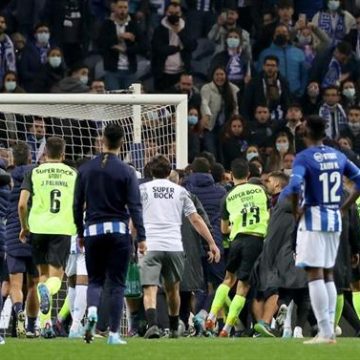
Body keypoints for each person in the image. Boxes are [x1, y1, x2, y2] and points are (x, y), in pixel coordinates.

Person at [282, 115, 360, 344]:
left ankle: (325, 332)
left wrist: (297, 210)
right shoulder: (338, 155)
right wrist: (344, 207)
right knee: (327, 274)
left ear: (305, 133)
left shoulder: (304, 158)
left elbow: (295, 185)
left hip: (314, 219)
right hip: (334, 219)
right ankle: (327, 331)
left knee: (314, 274)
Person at [73, 123, 146, 345]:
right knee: (116, 284)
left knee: (95, 281)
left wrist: (80, 231)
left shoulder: (85, 169)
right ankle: (114, 334)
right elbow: (135, 206)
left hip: (93, 231)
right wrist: (141, 237)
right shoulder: (127, 171)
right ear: (122, 142)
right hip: (118, 231)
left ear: (102, 140)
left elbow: (76, 205)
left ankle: (93, 311)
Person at [139, 155, 220, 339]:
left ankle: (153, 325)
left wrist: (136, 240)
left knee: (150, 288)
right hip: (174, 246)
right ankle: (175, 326)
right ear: (169, 172)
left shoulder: (142, 190)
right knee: (173, 289)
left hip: (151, 245)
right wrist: (212, 243)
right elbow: (196, 219)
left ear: (151, 172)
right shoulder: (180, 192)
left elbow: (134, 219)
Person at [18, 137, 78, 338]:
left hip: (38, 229)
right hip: (61, 228)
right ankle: (46, 293)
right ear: (63, 154)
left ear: (44, 154)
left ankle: (45, 326)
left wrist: (24, 227)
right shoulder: (72, 173)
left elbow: (22, 204)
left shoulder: (34, 172)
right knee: (55, 278)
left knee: (42, 276)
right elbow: (81, 204)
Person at [205, 158, 270, 337]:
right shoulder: (261, 190)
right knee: (243, 286)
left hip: (236, 240)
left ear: (231, 175)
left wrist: (236, 225)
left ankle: (211, 315)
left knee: (228, 279)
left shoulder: (227, 197)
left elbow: (224, 229)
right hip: (255, 239)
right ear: (249, 174)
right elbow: (268, 215)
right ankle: (227, 327)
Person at [6, 142, 39, 338]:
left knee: (16, 284)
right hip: (35, 232)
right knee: (34, 283)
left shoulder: (8, 178)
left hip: (12, 232)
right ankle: (31, 327)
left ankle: (18, 316)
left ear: (13, 159)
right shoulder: (37, 174)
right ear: (29, 157)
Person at [99, 0, 147, 91]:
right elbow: (101, 43)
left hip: (130, 70)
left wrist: (126, 50)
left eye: (125, 7)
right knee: (114, 100)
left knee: (130, 101)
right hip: (112, 69)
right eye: (120, 7)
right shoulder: (107, 24)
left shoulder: (133, 25)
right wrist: (119, 36)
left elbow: (144, 46)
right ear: (114, 8)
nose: (123, 10)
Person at [151, 2, 197, 92]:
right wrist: (178, 48)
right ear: (166, 13)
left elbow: (192, 46)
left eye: (176, 13)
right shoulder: (159, 29)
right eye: (171, 13)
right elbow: (159, 49)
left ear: (181, 14)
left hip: (182, 74)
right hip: (162, 74)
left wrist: (180, 32)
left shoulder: (186, 28)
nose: (173, 16)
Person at [258, 24, 307, 98]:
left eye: (284, 32)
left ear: (288, 36)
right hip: (273, 95)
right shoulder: (265, 53)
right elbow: (260, 74)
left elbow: (304, 74)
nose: (281, 34)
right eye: (278, 32)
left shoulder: (299, 53)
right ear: (274, 35)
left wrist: (302, 91)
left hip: (295, 94)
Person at [241, 55, 290, 122]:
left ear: (277, 68)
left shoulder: (283, 82)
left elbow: (286, 103)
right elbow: (246, 104)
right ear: (263, 67)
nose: (270, 68)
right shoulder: (254, 82)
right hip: (256, 121)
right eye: (267, 65)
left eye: (273, 65)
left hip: (278, 120)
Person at [18, 22, 52, 91]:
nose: (43, 34)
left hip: (51, 87)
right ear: (35, 35)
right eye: (40, 32)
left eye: (46, 32)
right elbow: (24, 72)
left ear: (49, 34)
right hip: (33, 87)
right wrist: (38, 77)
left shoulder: (55, 49)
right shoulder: (27, 50)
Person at [0, 14, 16, 88]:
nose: (0, 25)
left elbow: (12, 61)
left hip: (6, 79)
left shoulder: (9, 41)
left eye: (2, 22)